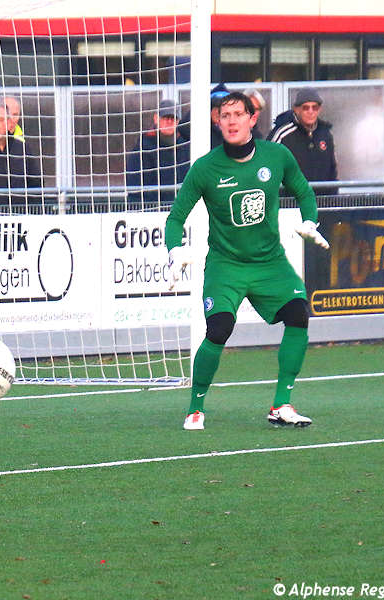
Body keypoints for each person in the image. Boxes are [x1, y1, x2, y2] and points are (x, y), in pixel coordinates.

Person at [164, 92, 330, 431]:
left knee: (298, 315)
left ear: (252, 120)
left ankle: (281, 404)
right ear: (217, 122)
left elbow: (304, 191)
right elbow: (176, 218)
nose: (232, 121)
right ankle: (195, 408)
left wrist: (310, 221)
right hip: (226, 266)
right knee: (219, 329)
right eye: (225, 116)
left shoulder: (277, 156)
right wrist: (174, 250)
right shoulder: (205, 168)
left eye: (239, 114)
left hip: (270, 263)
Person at [267, 87, 338, 197]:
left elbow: (332, 171)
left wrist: (333, 199)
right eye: (306, 108)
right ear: (296, 109)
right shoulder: (282, 134)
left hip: (321, 202)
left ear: (319, 109)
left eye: (315, 107)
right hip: (290, 203)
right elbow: (267, 168)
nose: (311, 112)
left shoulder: (326, 134)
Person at [125, 99, 189, 205]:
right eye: (165, 118)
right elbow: (135, 188)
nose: (169, 122)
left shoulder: (185, 147)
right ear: (156, 118)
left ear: (178, 121)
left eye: (173, 118)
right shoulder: (142, 149)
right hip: (152, 209)